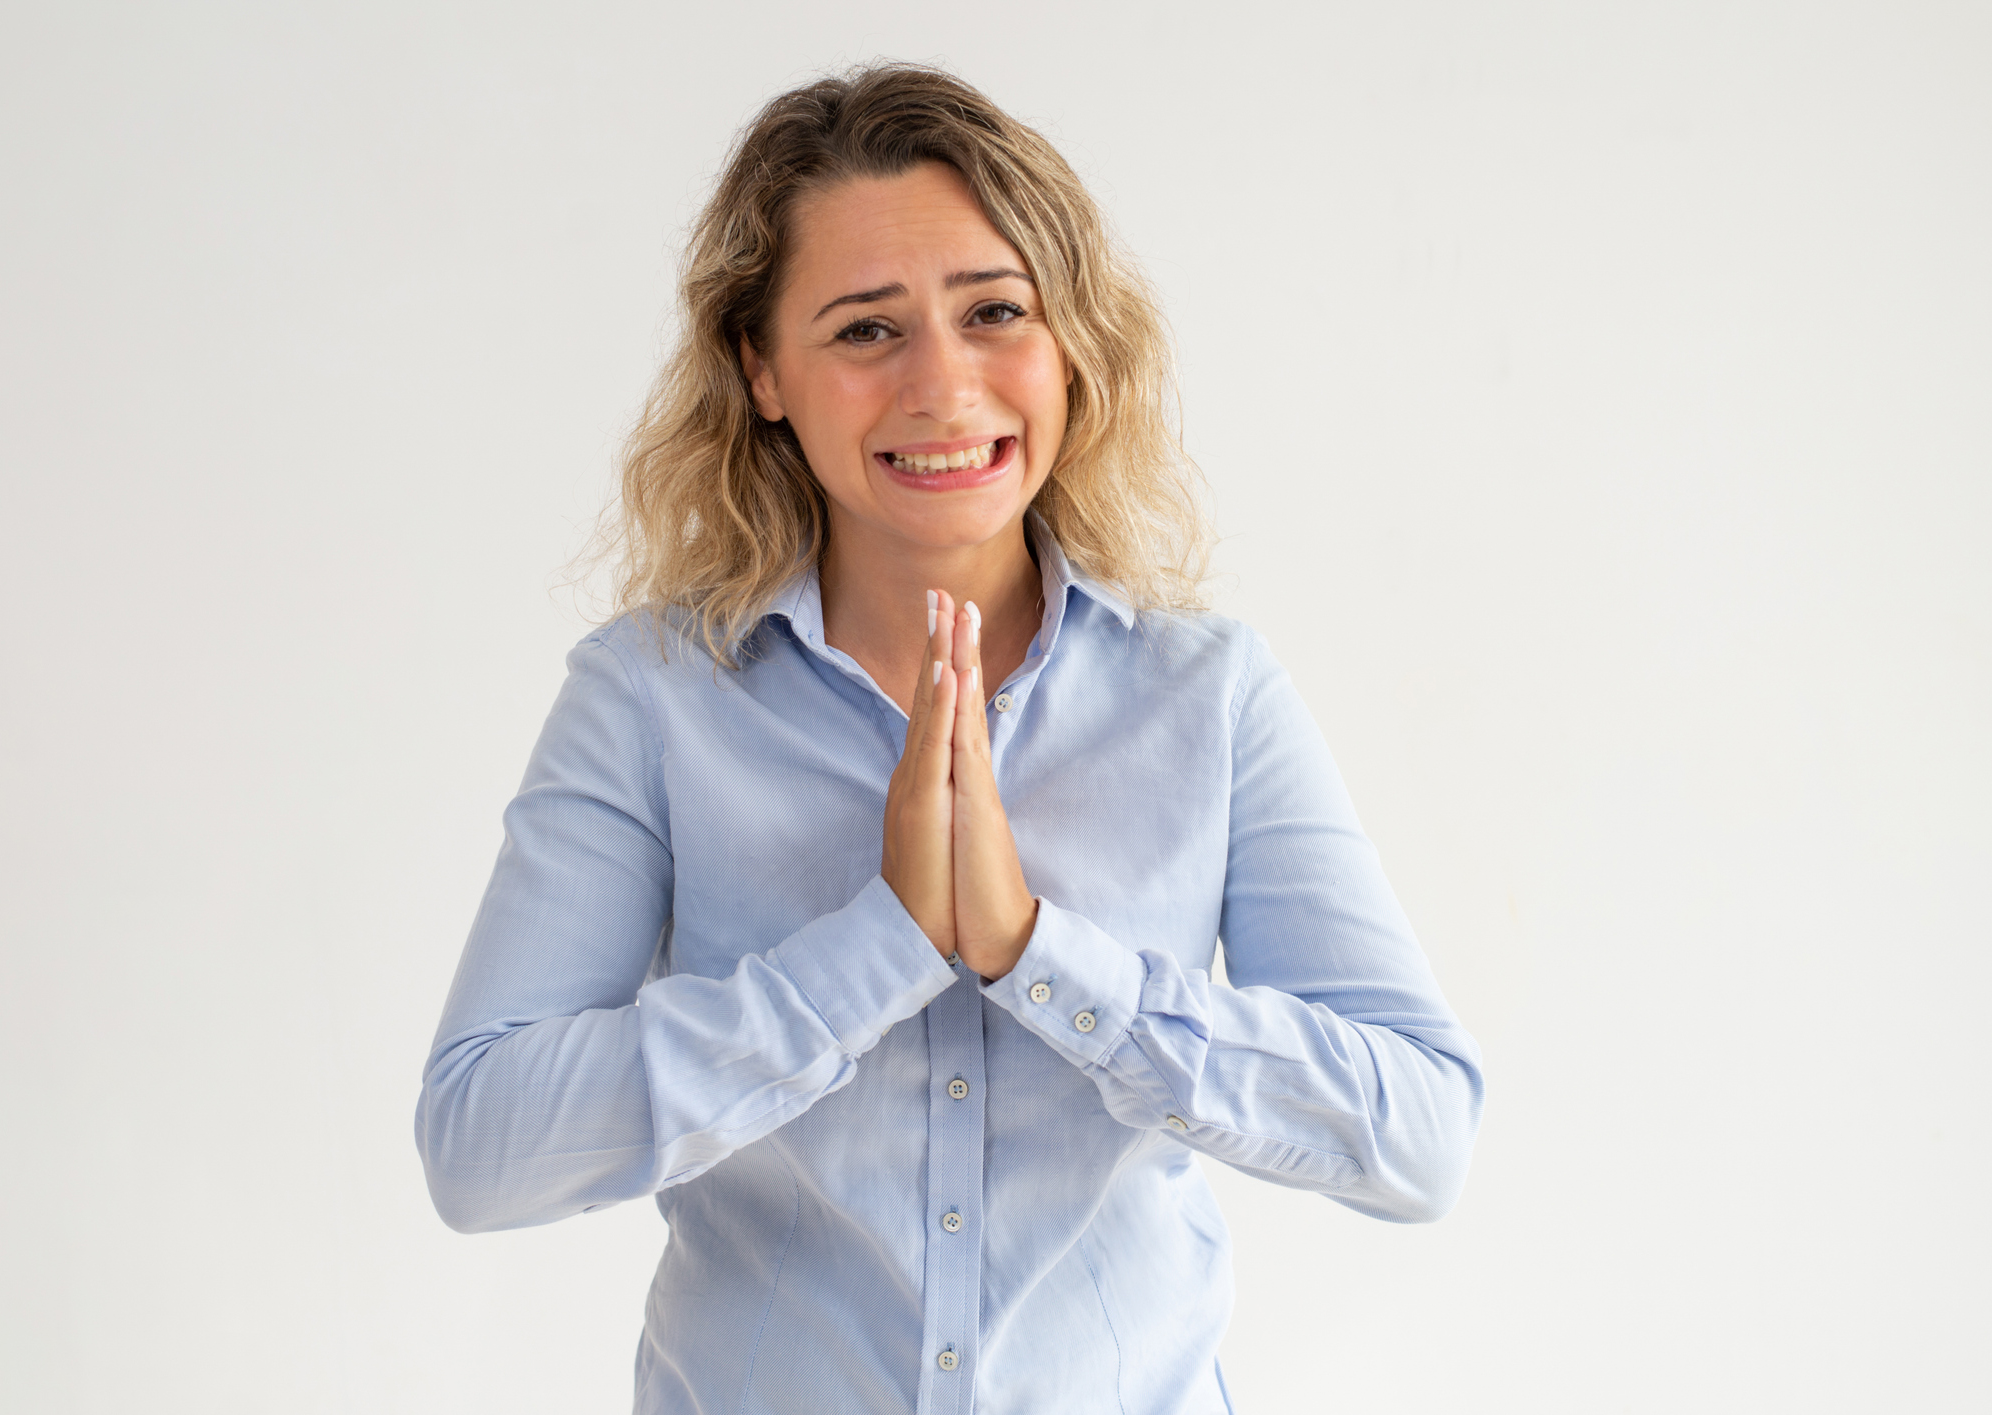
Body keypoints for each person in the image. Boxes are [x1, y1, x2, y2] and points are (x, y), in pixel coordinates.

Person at [416, 62, 1483, 1415]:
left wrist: (1041, 953)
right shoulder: (654, 698)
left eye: (997, 313)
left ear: (1071, 341)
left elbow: (1424, 1137)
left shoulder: (1208, 696)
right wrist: (878, 952)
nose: (944, 382)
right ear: (763, 370)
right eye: (866, 331)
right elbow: (483, 1147)